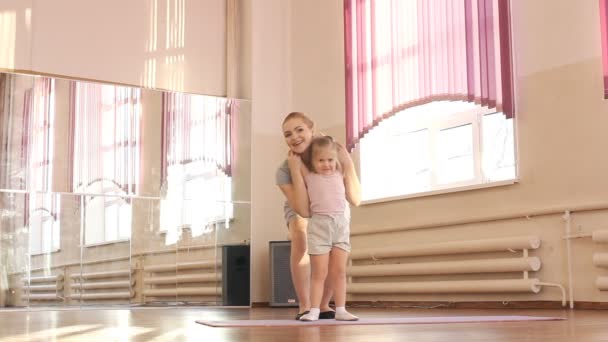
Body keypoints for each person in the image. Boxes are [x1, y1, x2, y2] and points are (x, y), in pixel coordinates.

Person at [288, 135, 361, 321]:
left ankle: (341, 310)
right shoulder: (310, 176)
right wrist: (294, 161)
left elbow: (345, 160)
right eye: (321, 160)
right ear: (313, 162)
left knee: (339, 271)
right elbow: (298, 165)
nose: (326, 164)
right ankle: (313, 310)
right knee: (319, 272)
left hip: (340, 225)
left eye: (330, 160)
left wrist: (341, 151)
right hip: (319, 226)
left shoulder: (340, 173)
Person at [276, 112, 335, 320]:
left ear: (312, 129)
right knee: (300, 238)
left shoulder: (330, 151)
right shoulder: (284, 170)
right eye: (288, 134)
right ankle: (305, 304)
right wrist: (295, 168)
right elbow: (302, 209)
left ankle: (324, 304)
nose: (294, 137)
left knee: (332, 250)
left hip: (328, 204)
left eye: (300, 130)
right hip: (300, 204)